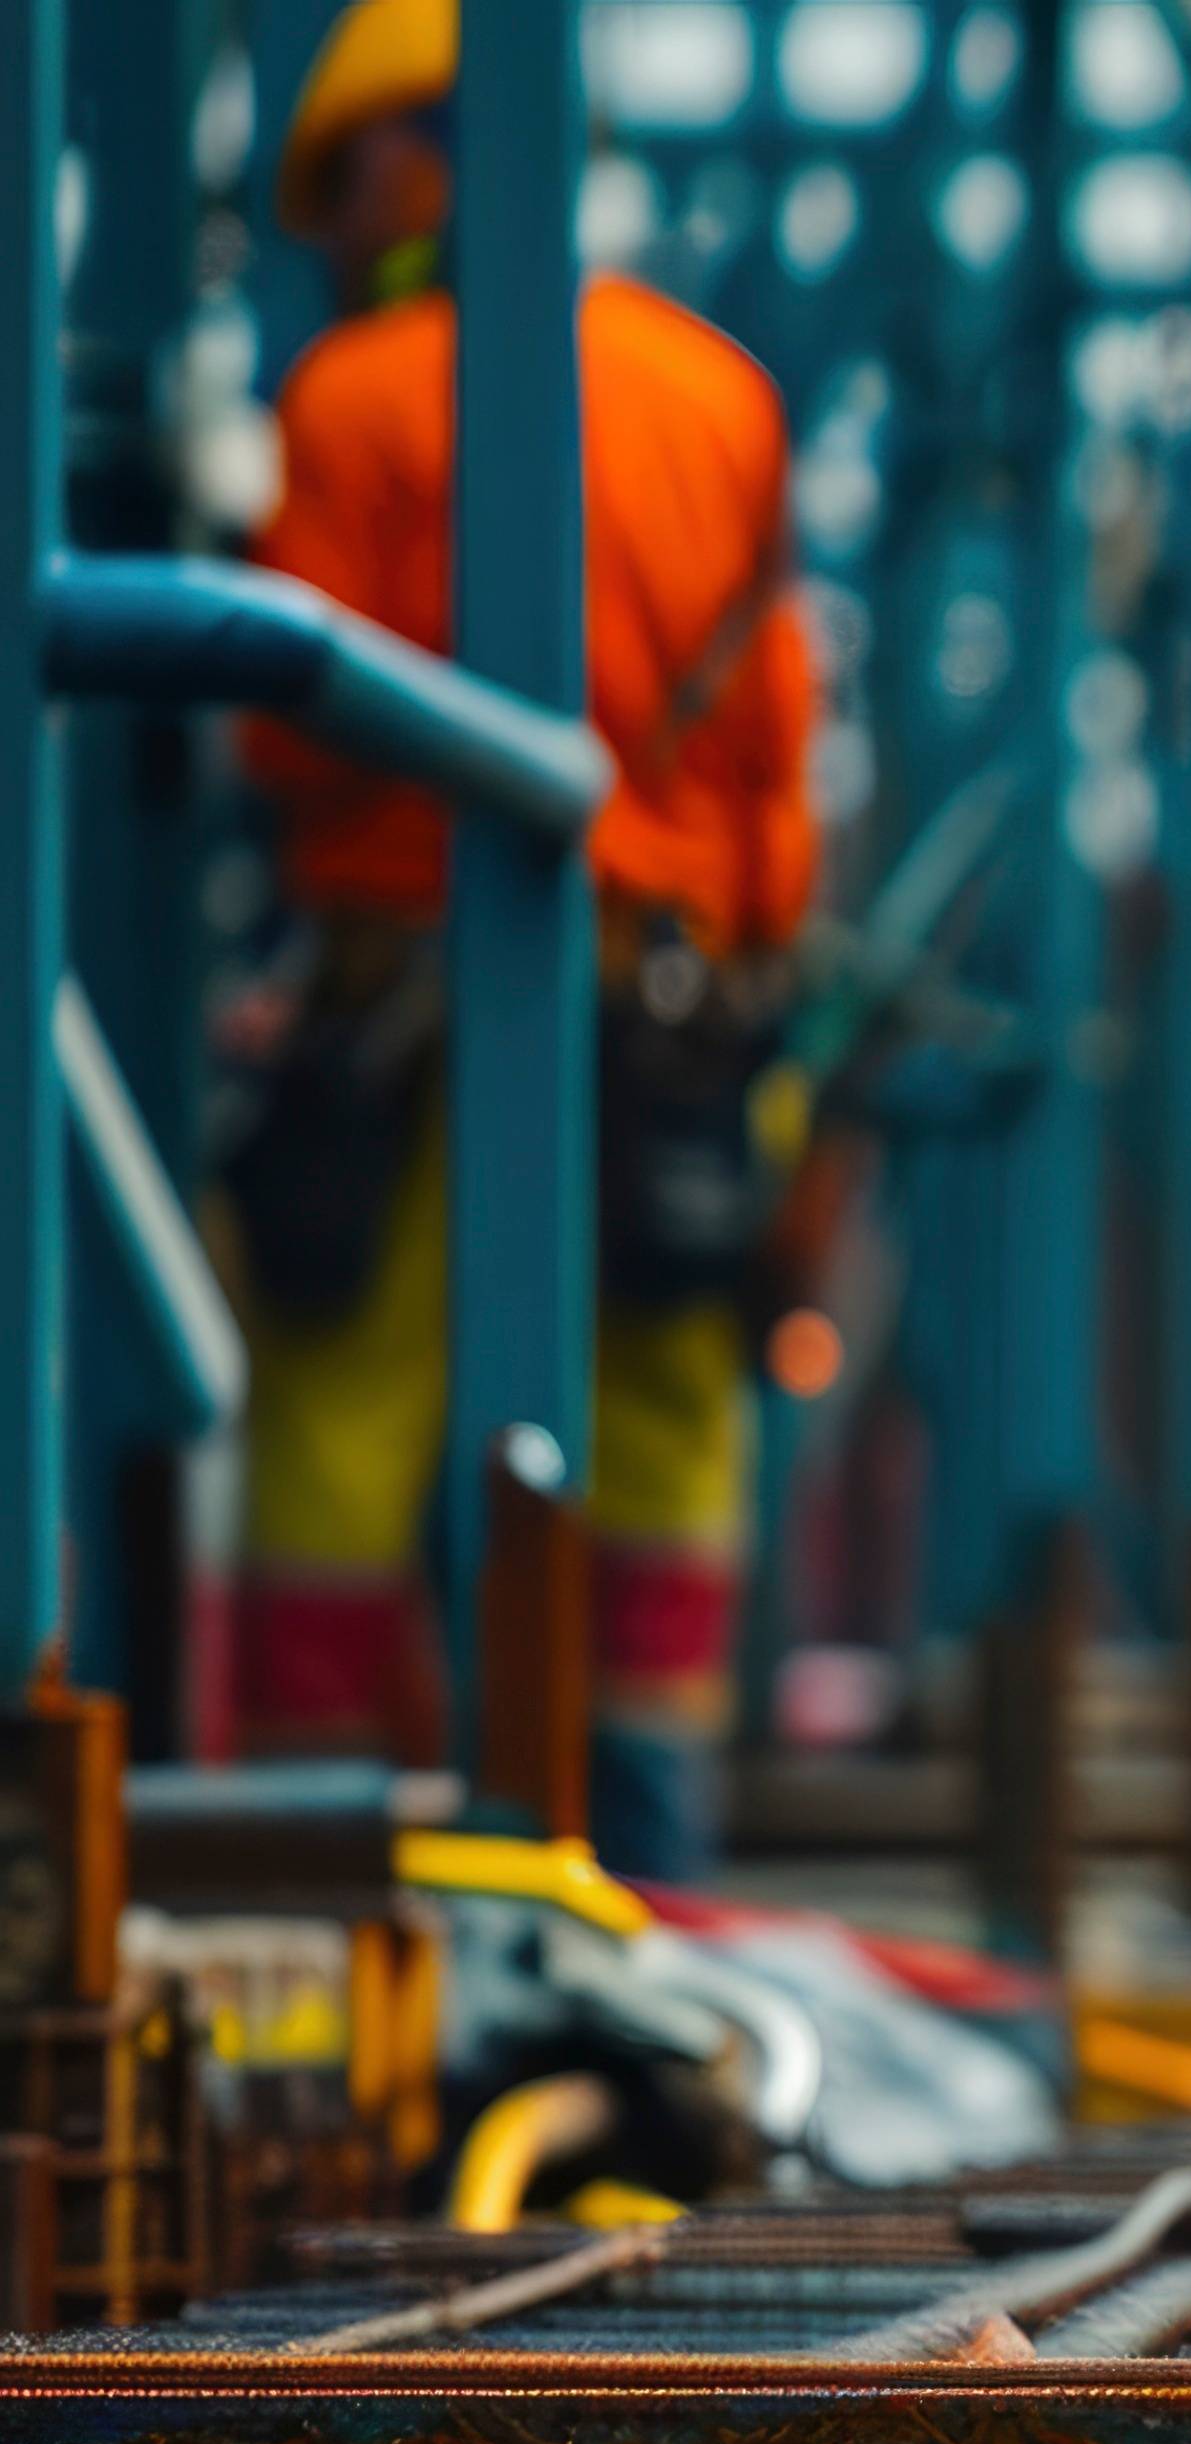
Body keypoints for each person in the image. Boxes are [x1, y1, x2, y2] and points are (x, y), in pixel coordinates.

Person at [225, 0, 816, 1878]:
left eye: (347, 187)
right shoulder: (717, 396)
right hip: (665, 1019)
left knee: (336, 1429)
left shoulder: (355, 399)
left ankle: (317, 1885)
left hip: (407, 1007)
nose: (331, 233)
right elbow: (775, 759)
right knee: (654, 1449)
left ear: (415, 162)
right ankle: (644, 1889)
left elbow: (277, 724)